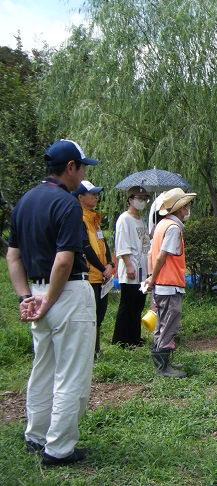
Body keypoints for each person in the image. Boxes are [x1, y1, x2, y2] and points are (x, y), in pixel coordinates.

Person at [6, 139, 98, 466]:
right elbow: (63, 261)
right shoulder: (67, 203)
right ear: (71, 167)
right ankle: (59, 448)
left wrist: (26, 297)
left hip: (36, 290)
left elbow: (13, 256)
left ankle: (36, 435)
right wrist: (51, 300)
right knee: (71, 374)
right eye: (82, 166)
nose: (83, 172)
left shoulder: (25, 202)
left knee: (43, 368)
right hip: (68, 292)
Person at [144, 188, 197, 377]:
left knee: (161, 323)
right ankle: (163, 367)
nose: (188, 209)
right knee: (169, 322)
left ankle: (162, 363)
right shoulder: (173, 228)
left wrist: (152, 277)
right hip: (168, 284)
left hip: (162, 283)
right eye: (186, 206)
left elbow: (152, 254)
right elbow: (161, 256)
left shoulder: (161, 225)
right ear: (180, 209)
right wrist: (153, 277)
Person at [71, 180, 115, 359]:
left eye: (97, 193)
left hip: (102, 275)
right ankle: (90, 352)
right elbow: (86, 247)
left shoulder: (94, 218)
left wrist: (110, 264)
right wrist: (102, 267)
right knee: (90, 315)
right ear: (80, 197)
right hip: (91, 276)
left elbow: (102, 244)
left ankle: (96, 350)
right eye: (92, 194)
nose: (96, 196)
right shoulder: (79, 218)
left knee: (100, 314)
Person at [113, 186, 151, 348]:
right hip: (131, 268)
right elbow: (122, 244)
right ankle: (122, 339)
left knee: (138, 304)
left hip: (142, 268)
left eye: (144, 199)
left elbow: (144, 241)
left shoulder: (141, 220)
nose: (142, 201)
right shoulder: (124, 219)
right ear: (130, 199)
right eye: (139, 198)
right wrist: (128, 265)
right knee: (128, 303)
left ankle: (135, 337)